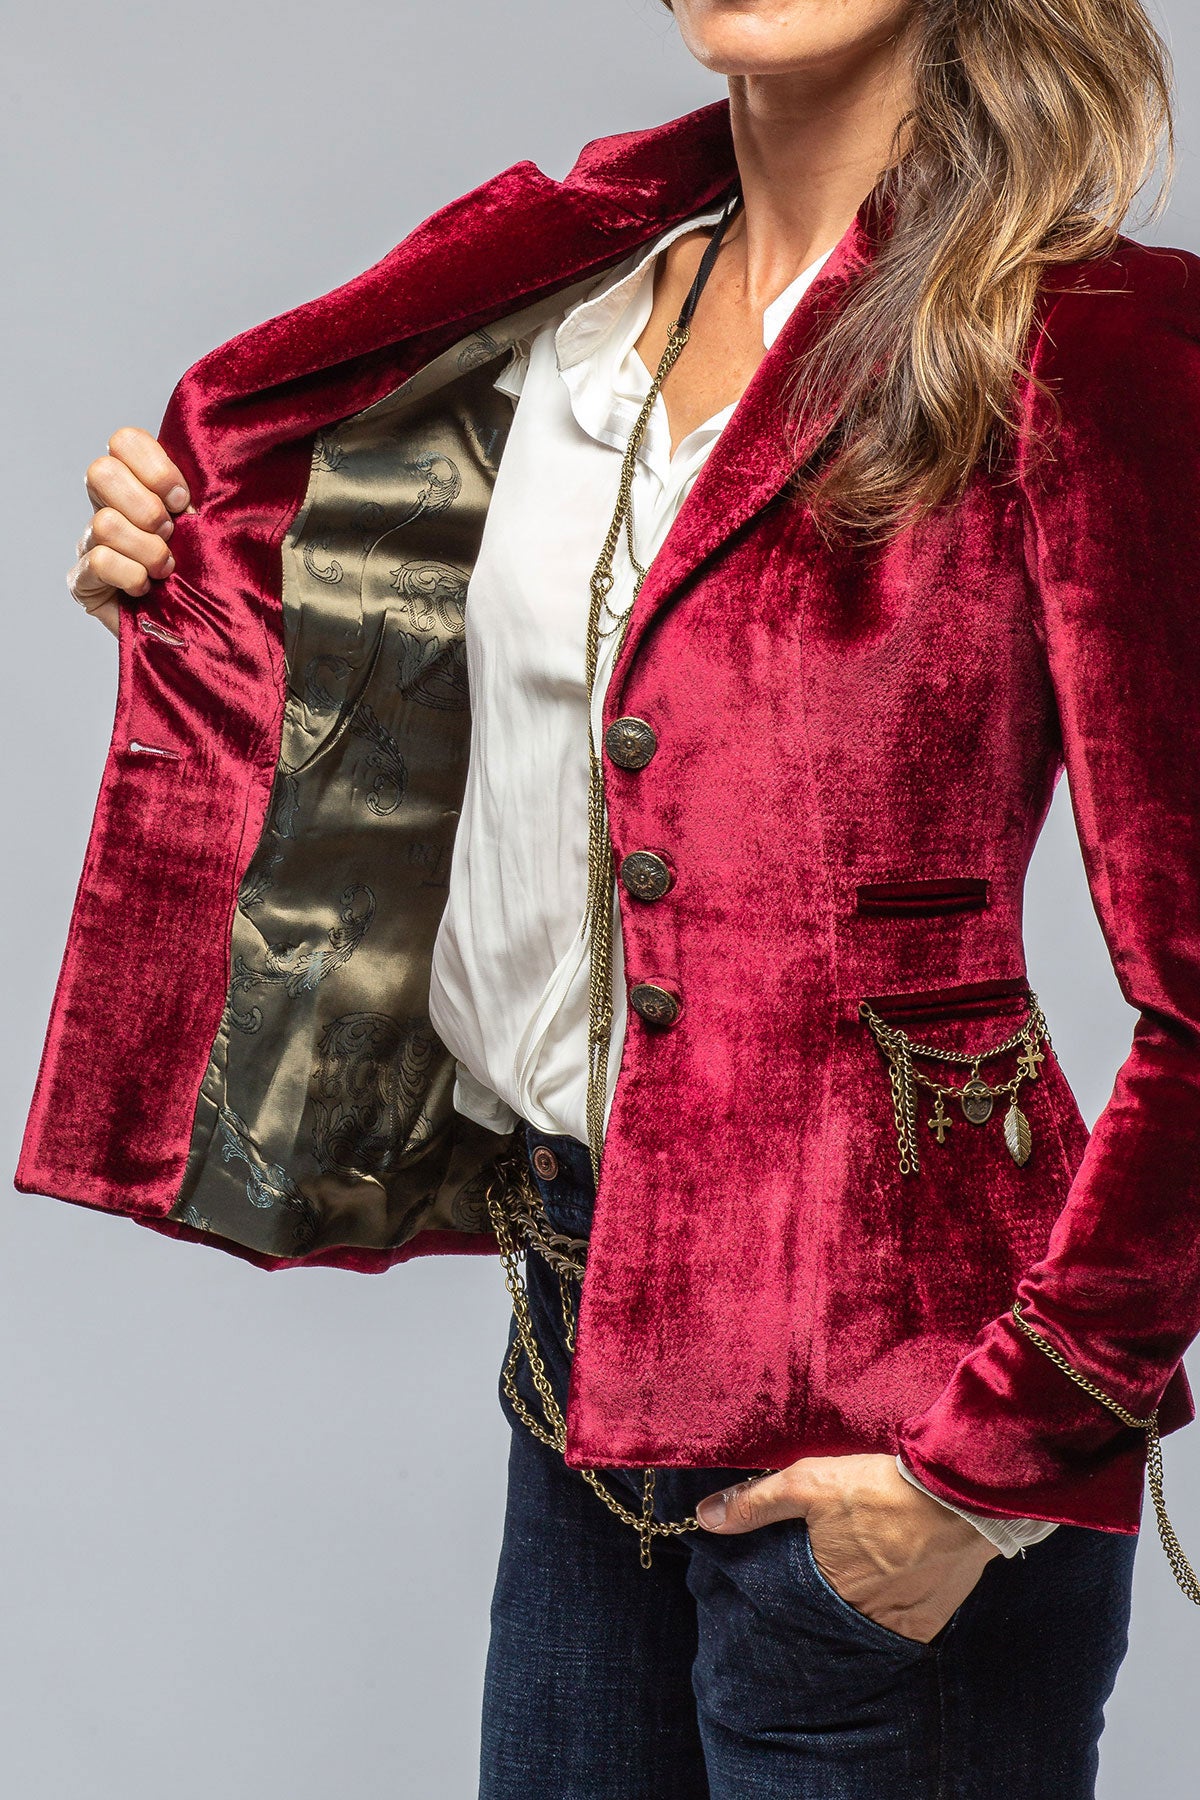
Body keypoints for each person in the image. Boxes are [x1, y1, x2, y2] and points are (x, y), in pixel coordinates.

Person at [23, 0, 1200, 1793]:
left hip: (897, 1406)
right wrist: (212, 588)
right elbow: (449, 728)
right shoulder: (570, 313)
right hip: (574, 1344)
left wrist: (993, 1466)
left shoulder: (1084, 337)